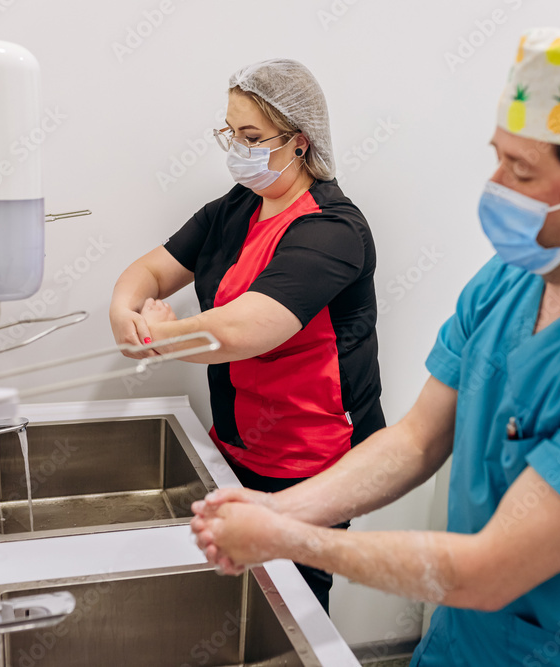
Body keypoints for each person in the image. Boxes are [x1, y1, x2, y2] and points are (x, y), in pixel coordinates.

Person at [191, 28, 560, 666]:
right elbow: (417, 438)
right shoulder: (510, 281)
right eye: (498, 156)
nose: (494, 184)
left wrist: (289, 537)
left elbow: (492, 572)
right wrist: (285, 507)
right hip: (464, 641)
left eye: (521, 171)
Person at [109, 59, 385, 614]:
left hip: (312, 461)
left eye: (253, 137)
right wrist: (124, 310)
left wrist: (164, 334)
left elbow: (247, 330)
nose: (237, 147)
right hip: (237, 442)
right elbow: (153, 272)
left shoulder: (332, 230)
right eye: (230, 133)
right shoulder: (235, 208)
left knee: (294, 609)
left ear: (300, 143)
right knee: (237, 599)